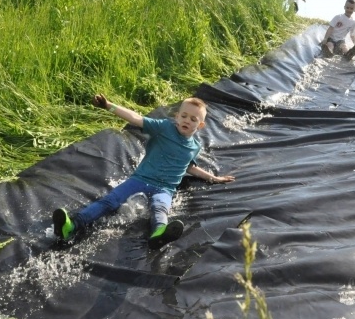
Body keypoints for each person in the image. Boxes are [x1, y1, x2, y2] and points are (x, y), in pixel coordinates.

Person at [53, 94, 235, 249]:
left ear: (200, 125)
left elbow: (188, 167)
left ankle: (158, 234)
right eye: (184, 116)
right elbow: (136, 118)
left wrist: (213, 178)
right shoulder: (164, 127)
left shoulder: (194, 147)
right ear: (177, 116)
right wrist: (109, 106)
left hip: (164, 188)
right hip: (140, 179)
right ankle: (72, 225)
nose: (187, 120)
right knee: (110, 201)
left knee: (160, 208)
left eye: (193, 119)